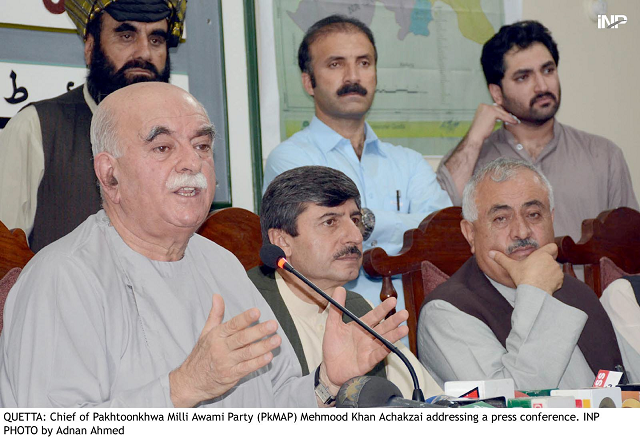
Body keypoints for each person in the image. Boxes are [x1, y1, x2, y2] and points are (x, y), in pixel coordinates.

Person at [0, 82, 408, 407]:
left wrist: (326, 382)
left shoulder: (221, 263)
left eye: (201, 146)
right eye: (162, 147)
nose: (191, 163)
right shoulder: (64, 277)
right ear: (110, 175)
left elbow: (273, 405)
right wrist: (182, 388)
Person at [263, 14, 451, 313]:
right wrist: (406, 228)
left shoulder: (409, 163)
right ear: (308, 82)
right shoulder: (290, 159)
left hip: (417, 325)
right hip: (332, 325)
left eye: (364, 63)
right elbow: (319, 246)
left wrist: (367, 220)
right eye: (336, 64)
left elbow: (444, 236)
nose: (353, 76)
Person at [417, 158, 635, 390]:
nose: (521, 232)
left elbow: (628, 384)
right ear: (470, 233)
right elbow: (513, 405)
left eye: (533, 214)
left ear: (551, 220)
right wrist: (536, 291)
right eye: (501, 218)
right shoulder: (447, 313)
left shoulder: (577, 292)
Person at [0, 0, 187, 252]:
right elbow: (5, 262)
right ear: (90, 48)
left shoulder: (186, 141)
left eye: (156, 40)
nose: (144, 53)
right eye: (126, 35)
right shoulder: (37, 129)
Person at [251, 165, 443, 398]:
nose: (355, 236)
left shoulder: (358, 308)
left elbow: (431, 401)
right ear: (282, 241)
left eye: (355, 220)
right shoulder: (249, 310)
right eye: (330, 222)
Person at [436, 20, 637, 242]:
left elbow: (630, 249)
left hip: (586, 278)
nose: (542, 86)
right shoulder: (476, 160)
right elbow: (439, 216)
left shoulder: (603, 155)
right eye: (523, 77)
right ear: (497, 93)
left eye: (548, 70)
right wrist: (474, 139)